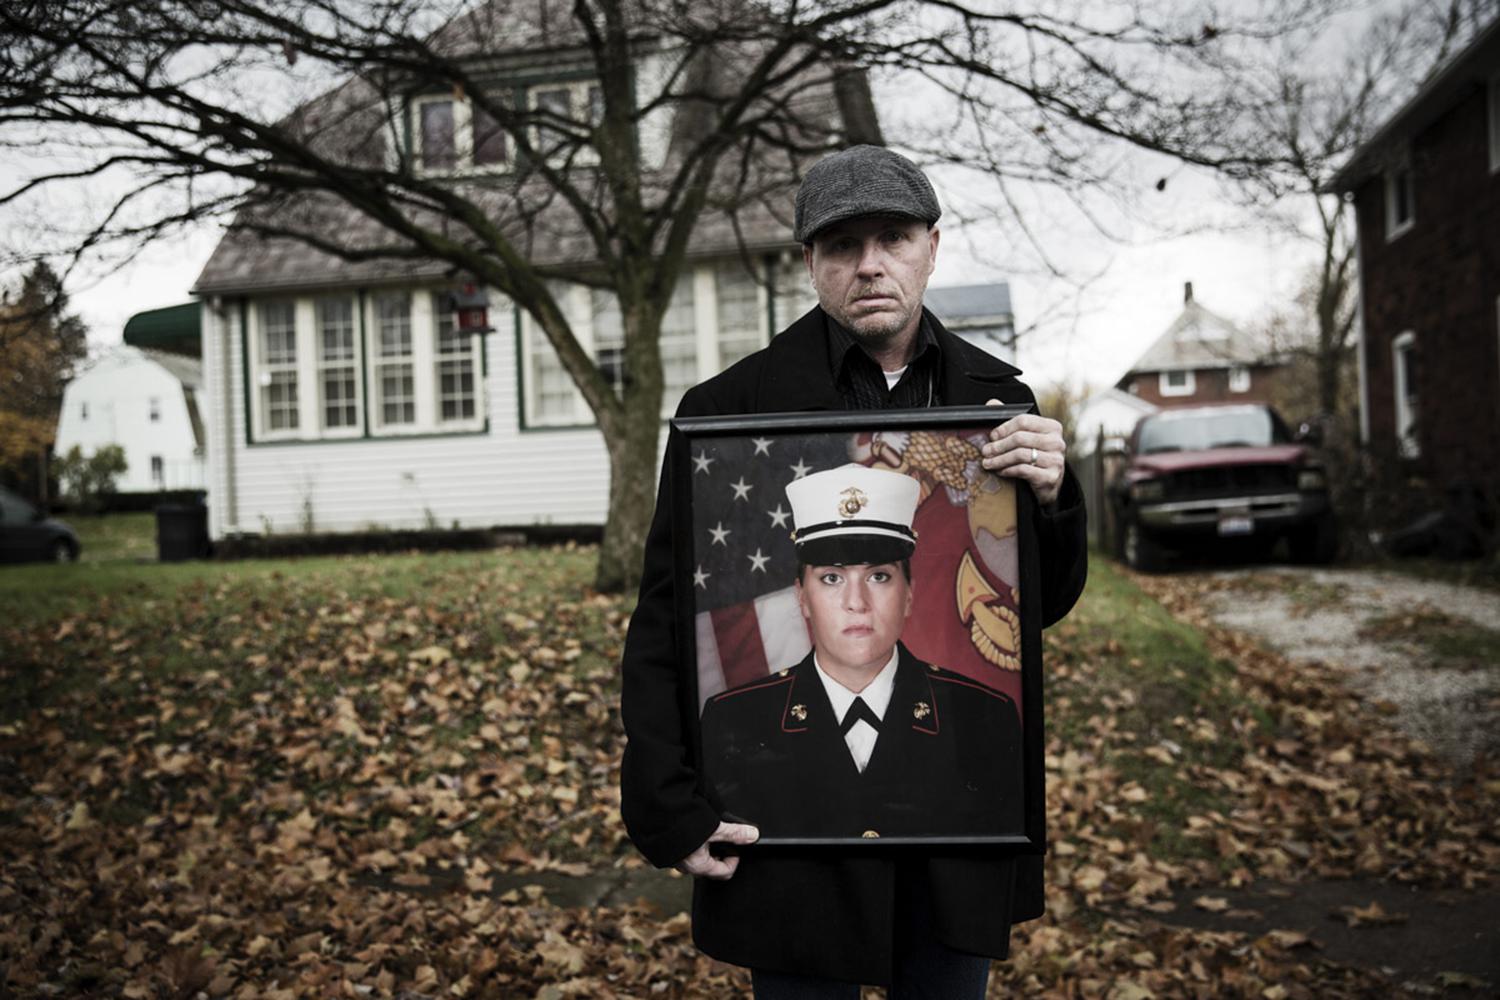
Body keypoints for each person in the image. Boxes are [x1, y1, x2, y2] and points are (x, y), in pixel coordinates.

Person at [620, 144, 1088, 996]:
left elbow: (1038, 608)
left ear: (932, 247)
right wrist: (667, 805)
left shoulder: (1000, 406)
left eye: (894, 237)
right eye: (842, 245)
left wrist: (1054, 499)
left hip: (953, 819)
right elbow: (664, 625)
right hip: (787, 829)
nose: (870, 265)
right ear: (810, 263)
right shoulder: (727, 413)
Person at [701, 464, 1023, 841]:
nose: (857, 602)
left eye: (879, 576)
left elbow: (1008, 881)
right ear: (802, 597)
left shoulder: (982, 718)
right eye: (832, 578)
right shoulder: (734, 722)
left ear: (909, 595)